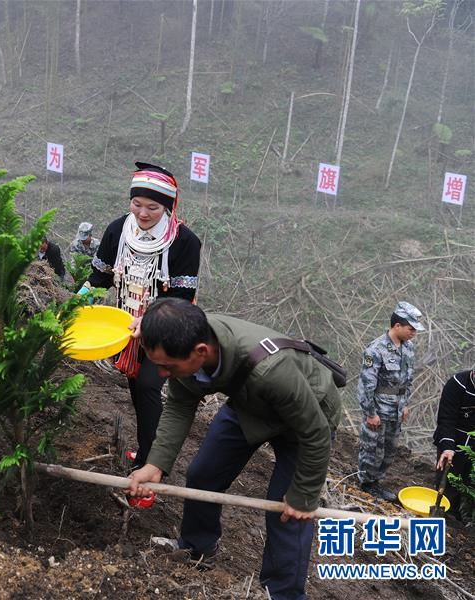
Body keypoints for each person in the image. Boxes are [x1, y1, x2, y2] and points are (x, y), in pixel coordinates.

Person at [128, 298, 340, 600]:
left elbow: (315, 432)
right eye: (158, 365)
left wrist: (304, 495)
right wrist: (155, 464)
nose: (162, 374)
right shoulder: (185, 340)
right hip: (250, 402)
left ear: (201, 352)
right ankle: (197, 547)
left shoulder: (270, 370)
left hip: (306, 415)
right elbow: (179, 404)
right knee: (203, 474)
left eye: (168, 367)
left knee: (288, 509)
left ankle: (283, 594)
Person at [80, 162, 200, 476]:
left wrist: (149, 321)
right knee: (136, 388)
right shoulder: (118, 230)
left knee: (148, 386)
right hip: (124, 327)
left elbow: (182, 299)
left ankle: (153, 465)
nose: (143, 213)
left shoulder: (185, 242)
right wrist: (79, 300)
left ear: (169, 207)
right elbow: (100, 276)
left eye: (153, 207)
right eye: (137, 204)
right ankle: (147, 451)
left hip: (165, 328)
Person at [357, 301, 423, 502]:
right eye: (411, 329)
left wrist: (405, 405)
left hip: (396, 408)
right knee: (372, 448)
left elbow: (408, 380)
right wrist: (370, 413)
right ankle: (366, 484)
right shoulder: (376, 349)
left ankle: (376, 481)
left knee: (389, 449)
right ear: (397, 326)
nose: (413, 333)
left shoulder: (408, 348)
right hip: (379, 408)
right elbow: (366, 384)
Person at [433, 367, 475, 521]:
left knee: (468, 479)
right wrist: (447, 447)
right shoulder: (457, 384)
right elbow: (446, 419)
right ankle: (448, 514)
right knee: (450, 479)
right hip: (454, 436)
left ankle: (465, 515)